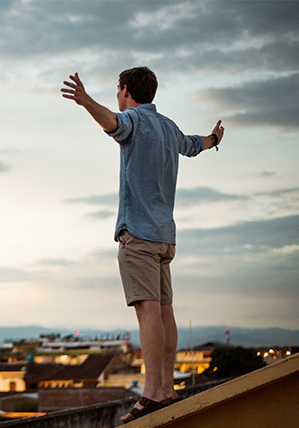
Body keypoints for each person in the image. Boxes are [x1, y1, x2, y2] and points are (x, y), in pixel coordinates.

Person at [61, 67, 224, 423]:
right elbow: (194, 145)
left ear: (125, 91)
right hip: (166, 236)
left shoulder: (133, 120)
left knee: (148, 311)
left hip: (138, 233)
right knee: (165, 312)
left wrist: (86, 100)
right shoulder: (167, 126)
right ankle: (166, 389)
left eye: (118, 91)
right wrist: (214, 138)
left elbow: (114, 124)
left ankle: (153, 393)